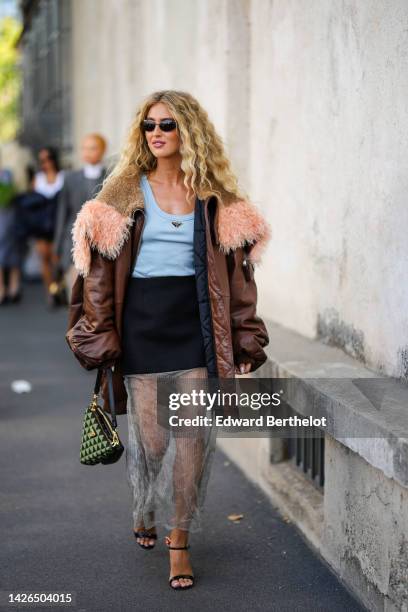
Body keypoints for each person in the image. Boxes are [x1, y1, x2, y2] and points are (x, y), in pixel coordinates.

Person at [65, 90, 272, 590]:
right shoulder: (120, 198)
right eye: (150, 126)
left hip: (197, 326)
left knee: (191, 437)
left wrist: (244, 341)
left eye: (168, 126)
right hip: (142, 327)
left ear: (189, 133)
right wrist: (101, 335)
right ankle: (144, 505)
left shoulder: (216, 199)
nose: (157, 134)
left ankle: (180, 539)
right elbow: (95, 278)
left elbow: (239, 283)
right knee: (153, 442)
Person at [53, 134, 108, 302]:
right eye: (85, 148)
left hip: (102, 241)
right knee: (75, 293)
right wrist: (57, 245)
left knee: (97, 295)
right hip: (74, 241)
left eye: (93, 148)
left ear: (103, 150)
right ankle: (76, 327)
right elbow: (63, 212)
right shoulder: (70, 178)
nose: (88, 152)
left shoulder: (112, 177)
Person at [33, 147, 64, 303]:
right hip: (42, 225)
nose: (45, 163)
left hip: (59, 224)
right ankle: (50, 291)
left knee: (56, 258)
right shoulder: (37, 178)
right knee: (44, 258)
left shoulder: (63, 177)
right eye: (42, 160)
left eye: (48, 159)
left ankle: (58, 287)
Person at [0, 168, 21, 304]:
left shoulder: (7, 174)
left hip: (8, 218)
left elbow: (8, 196)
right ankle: (1, 289)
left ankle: (14, 287)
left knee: (13, 252)